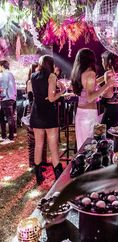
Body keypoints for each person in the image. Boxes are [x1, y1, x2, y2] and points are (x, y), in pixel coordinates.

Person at [30, 55, 66, 185]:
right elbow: (51, 98)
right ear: (51, 64)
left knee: (38, 145)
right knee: (53, 146)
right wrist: (62, 91)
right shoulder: (51, 76)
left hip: (36, 112)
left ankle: (39, 176)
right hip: (48, 113)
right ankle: (58, 174)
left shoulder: (33, 75)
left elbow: (34, 92)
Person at [71, 48, 116, 150]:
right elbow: (90, 97)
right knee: (90, 146)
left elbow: (88, 87)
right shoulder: (90, 73)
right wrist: (108, 84)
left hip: (80, 113)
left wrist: (101, 80)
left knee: (82, 146)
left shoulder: (78, 72)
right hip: (89, 115)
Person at [24, 63, 47, 168]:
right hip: (33, 110)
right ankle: (33, 163)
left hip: (40, 109)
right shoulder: (30, 82)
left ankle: (43, 161)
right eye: (38, 68)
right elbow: (31, 99)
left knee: (43, 137)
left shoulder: (41, 80)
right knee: (32, 139)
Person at [101, 52, 118, 130]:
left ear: (107, 61)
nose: (102, 63)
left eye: (102, 61)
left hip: (112, 109)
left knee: (105, 133)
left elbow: (109, 94)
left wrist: (100, 93)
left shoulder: (108, 74)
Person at [0, 60, 17, 144]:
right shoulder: (9, 73)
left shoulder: (5, 74)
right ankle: (5, 135)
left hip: (6, 98)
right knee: (7, 117)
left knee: (7, 117)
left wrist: (1, 96)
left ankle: (10, 137)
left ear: (2, 66)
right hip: (11, 97)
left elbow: (4, 87)